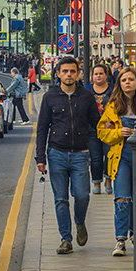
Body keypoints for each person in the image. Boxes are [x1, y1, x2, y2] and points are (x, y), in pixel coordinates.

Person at [35, 56, 100, 254]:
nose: (69, 75)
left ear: (79, 74)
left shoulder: (86, 97)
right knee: (61, 199)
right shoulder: (50, 97)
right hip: (57, 154)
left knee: (82, 195)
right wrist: (40, 158)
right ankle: (66, 239)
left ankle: (80, 222)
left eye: (73, 71)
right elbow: (42, 128)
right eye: (65, 71)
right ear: (58, 74)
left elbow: (97, 123)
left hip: (80, 153)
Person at [97, 67, 136, 257]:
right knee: (122, 198)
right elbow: (102, 132)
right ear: (119, 84)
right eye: (124, 80)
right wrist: (118, 132)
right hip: (121, 157)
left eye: (131, 79)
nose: (127, 83)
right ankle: (120, 239)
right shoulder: (113, 105)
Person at [88, 64, 113, 194]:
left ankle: (108, 180)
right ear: (92, 76)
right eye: (96, 74)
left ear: (106, 75)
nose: (98, 76)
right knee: (96, 158)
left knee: (109, 156)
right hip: (92, 130)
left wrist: (112, 122)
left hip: (109, 130)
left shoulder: (113, 90)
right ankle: (96, 182)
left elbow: (119, 108)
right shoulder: (87, 91)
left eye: (101, 73)